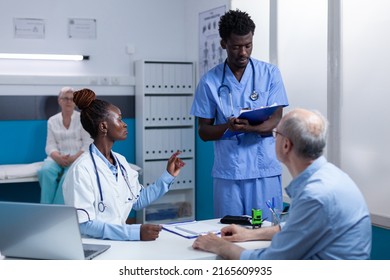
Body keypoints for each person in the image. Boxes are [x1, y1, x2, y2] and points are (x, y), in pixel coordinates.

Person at [192, 108, 372, 259]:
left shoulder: (316, 195)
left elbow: (270, 263)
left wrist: (219, 246)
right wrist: (250, 234)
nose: (273, 138)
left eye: (275, 133)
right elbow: (298, 227)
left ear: (286, 145)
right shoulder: (331, 177)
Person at [190, 9, 289, 220]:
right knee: (229, 233)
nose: (243, 52)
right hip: (229, 175)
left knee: (267, 232)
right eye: (236, 46)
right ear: (223, 43)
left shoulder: (270, 74)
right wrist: (229, 127)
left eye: (248, 45)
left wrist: (249, 128)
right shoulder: (210, 81)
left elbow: (276, 118)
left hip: (264, 172)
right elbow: (204, 131)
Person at [62, 88, 185, 241]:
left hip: (120, 242)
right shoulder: (81, 169)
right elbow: (84, 224)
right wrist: (133, 232)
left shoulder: (120, 162)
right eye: (119, 119)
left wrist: (168, 176)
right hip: (92, 245)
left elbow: (138, 200)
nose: (125, 124)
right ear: (103, 127)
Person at [38, 87, 92, 204]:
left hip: (78, 157)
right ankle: (45, 208)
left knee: (67, 177)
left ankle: (57, 212)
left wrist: (74, 157)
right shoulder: (52, 121)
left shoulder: (82, 118)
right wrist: (57, 157)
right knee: (45, 171)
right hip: (57, 157)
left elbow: (88, 144)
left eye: (72, 99)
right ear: (59, 101)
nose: (68, 101)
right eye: (65, 98)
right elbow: (50, 145)